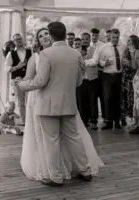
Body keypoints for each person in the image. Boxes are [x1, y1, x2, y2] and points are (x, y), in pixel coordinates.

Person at [16, 22, 102, 186]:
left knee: (51, 141)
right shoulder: (75, 54)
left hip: (47, 106)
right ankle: (85, 171)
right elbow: (78, 82)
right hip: (69, 103)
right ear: (64, 34)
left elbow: (40, 82)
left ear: (51, 34)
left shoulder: (46, 54)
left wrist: (21, 85)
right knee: (74, 138)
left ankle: (56, 177)